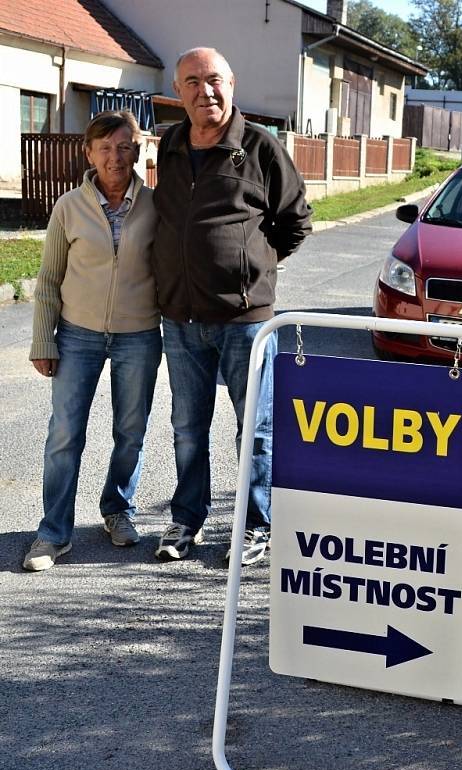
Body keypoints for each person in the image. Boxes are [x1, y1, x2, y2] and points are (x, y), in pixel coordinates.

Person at [152, 47, 312, 565]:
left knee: (256, 429)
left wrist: (255, 266)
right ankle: (187, 520)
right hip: (180, 319)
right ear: (179, 92)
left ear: (232, 83)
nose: (206, 91)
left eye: (215, 80)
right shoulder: (171, 146)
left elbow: (295, 222)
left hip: (245, 322)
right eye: (193, 82)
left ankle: (255, 524)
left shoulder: (260, 147)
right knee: (186, 427)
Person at [23, 110, 162, 572]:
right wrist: (44, 339)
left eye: (124, 147)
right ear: (88, 153)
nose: (115, 157)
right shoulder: (68, 207)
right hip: (77, 334)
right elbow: (48, 281)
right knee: (64, 434)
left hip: (139, 334)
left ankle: (118, 510)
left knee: (131, 431)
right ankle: (53, 533)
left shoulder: (157, 206)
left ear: (138, 151)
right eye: (104, 148)